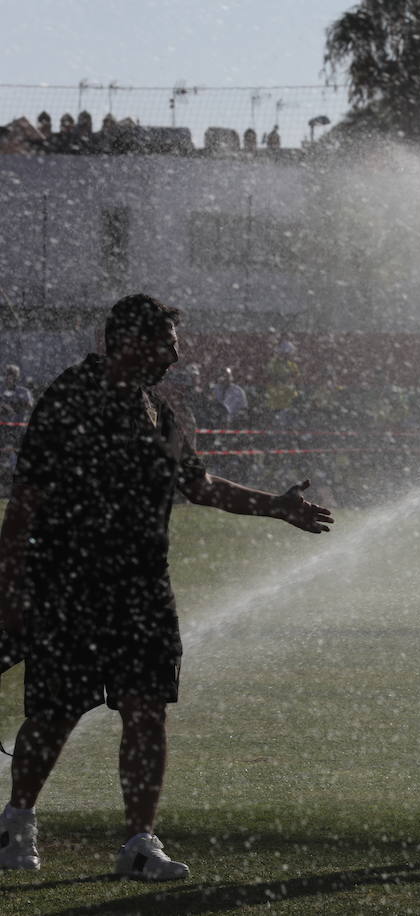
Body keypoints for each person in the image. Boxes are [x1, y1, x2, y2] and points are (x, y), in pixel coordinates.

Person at [0, 294, 333, 880]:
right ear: (129, 342)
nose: (174, 359)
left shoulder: (157, 410)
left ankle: (139, 842)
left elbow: (198, 485)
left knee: (147, 710)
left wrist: (274, 506)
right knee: (55, 712)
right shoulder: (70, 396)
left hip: (144, 589)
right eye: (165, 347)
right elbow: (24, 501)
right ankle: (16, 825)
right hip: (70, 583)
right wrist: (11, 590)